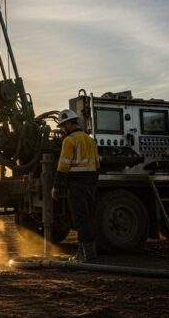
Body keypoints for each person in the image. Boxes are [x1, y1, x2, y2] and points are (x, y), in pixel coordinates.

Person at [52, 109, 99, 261]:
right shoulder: (89, 139)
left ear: (69, 124)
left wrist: (57, 187)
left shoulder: (69, 140)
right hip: (91, 182)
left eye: (63, 126)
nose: (62, 130)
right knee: (88, 218)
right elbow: (97, 164)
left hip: (76, 183)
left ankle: (89, 256)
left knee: (80, 219)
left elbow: (63, 166)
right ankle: (82, 253)